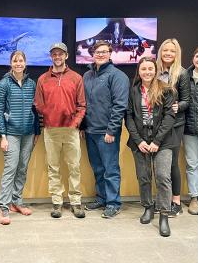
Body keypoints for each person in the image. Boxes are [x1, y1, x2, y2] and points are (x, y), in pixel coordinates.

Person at [34, 42, 86, 219]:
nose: (57, 57)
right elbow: (38, 104)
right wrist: (49, 116)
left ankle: (76, 202)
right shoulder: (43, 79)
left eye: (60, 54)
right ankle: (57, 202)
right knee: (53, 167)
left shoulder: (76, 78)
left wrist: (75, 123)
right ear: (51, 56)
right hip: (51, 130)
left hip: (71, 130)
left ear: (66, 56)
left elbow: (82, 105)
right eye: (54, 54)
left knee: (74, 167)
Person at [126, 57, 175, 237]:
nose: (147, 72)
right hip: (140, 141)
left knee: (162, 177)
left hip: (162, 141)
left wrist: (157, 141)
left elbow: (170, 116)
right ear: (139, 71)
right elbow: (129, 117)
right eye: (143, 69)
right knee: (144, 176)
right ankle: (148, 207)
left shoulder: (166, 89)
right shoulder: (133, 91)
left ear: (155, 70)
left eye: (150, 69)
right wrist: (139, 141)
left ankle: (163, 214)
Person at [81, 40, 129, 219]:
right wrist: (82, 126)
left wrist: (111, 130)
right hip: (90, 131)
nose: (100, 54)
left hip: (107, 133)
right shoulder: (87, 76)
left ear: (110, 53)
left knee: (110, 169)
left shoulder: (118, 76)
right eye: (97, 52)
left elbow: (119, 106)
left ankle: (113, 203)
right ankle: (101, 198)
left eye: (104, 52)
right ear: (93, 53)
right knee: (98, 168)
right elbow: (84, 104)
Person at [0, 51, 40, 225]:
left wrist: (37, 131)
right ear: (10, 63)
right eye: (15, 60)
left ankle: (16, 201)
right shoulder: (3, 85)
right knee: (10, 169)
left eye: (21, 60)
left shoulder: (31, 84)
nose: (18, 63)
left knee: (22, 168)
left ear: (25, 63)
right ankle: (4, 207)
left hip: (28, 133)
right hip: (11, 134)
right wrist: (3, 136)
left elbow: (35, 110)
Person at [156, 38, 190, 217]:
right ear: (160, 52)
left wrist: (179, 106)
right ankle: (163, 199)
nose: (168, 53)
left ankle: (176, 201)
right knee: (160, 165)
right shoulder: (156, 71)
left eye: (172, 51)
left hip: (175, 125)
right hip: (158, 125)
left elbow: (187, 100)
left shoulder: (182, 73)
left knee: (172, 163)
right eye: (165, 50)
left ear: (177, 54)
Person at [183, 46, 198, 215]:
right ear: (193, 58)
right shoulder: (185, 76)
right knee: (192, 165)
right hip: (189, 129)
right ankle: (194, 198)